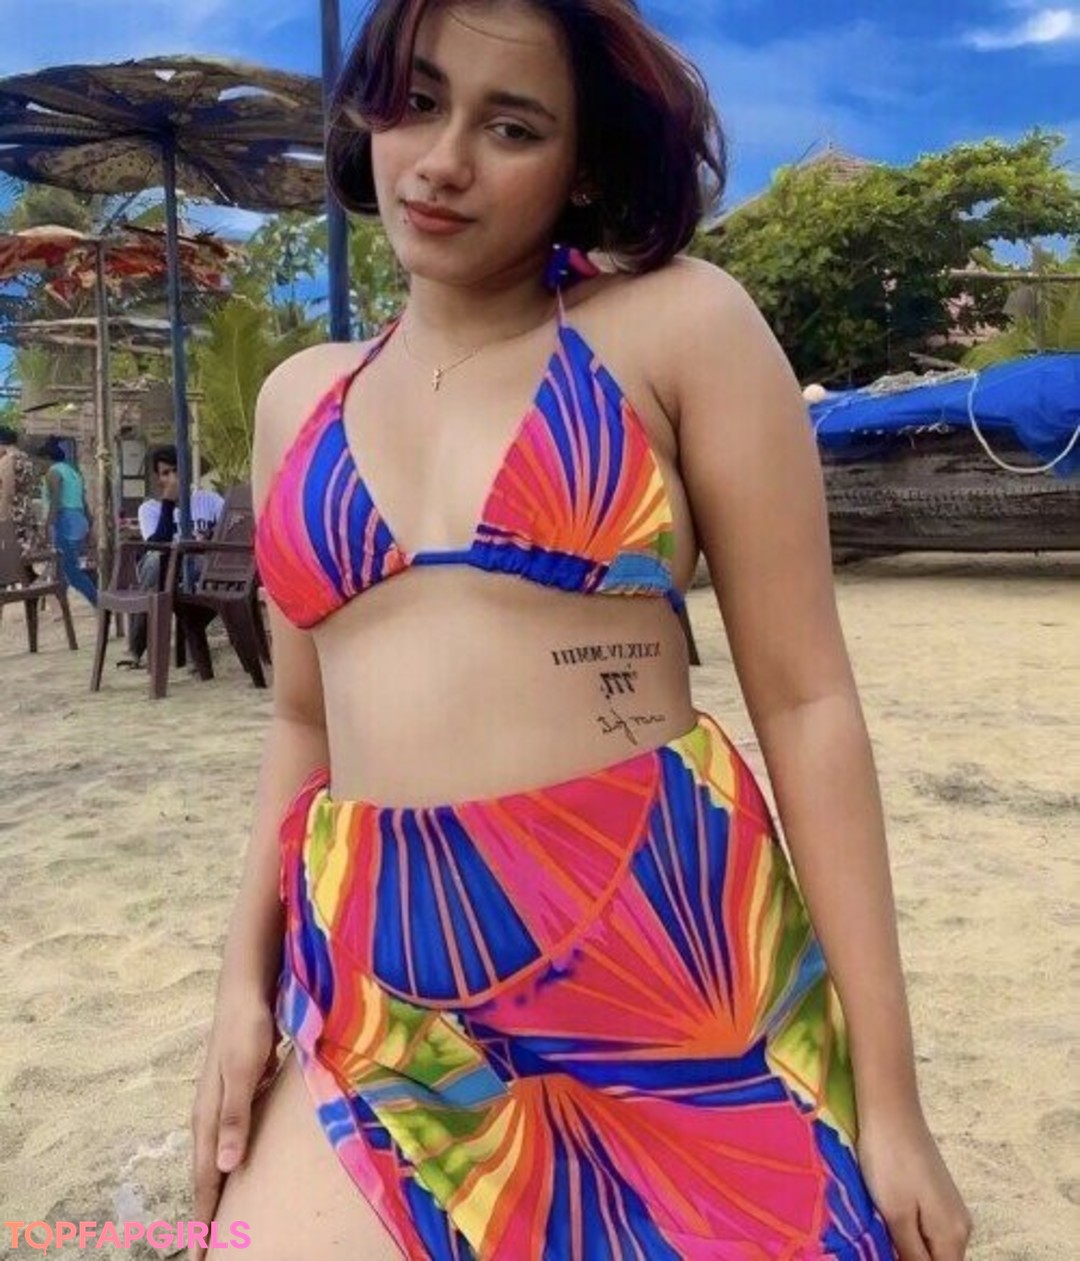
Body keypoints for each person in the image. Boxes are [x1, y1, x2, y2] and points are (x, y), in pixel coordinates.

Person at [191, 3, 972, 1259]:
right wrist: (241, 985)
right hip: (382, 980)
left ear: (586, 166)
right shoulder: (300, 400)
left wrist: (893, 1101)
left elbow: (807, 701)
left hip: (668, 958)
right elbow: (300, 723)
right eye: (417, 102)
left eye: (512, 127)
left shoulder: (678, 328)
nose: (444, 160)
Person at [118, 446, 223, 670]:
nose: (173, 478)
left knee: (209, 573)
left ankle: (188, 640)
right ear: (158, 478)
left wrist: (209, 537)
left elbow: (226, 535)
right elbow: (156, 544)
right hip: (164, 572)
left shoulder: (210, 501)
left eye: (177, 471)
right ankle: (138, 646)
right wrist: (168, 502)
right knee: (157, 560)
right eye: (166, 473)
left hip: (200, 570)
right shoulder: (150, 509)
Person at [39, 436, 97, 607]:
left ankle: (99, 602)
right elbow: (84, 503)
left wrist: (47, 526)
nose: (40, 466)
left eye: (40, 461)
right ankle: (62, 607)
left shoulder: (53, 472)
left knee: (70, 570)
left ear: (46, 458)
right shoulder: (74, 473)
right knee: (64, 567)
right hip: (79, 520)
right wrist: (90, 527)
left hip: (65, 522)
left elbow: (56, 503)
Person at [0, 425, 38, 552]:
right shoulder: (26, 459)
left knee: (9, 555)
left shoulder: (7, 461)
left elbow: (8, 491)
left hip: (13, 514)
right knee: (24, 554)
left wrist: (2, 517)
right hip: (27, 511)